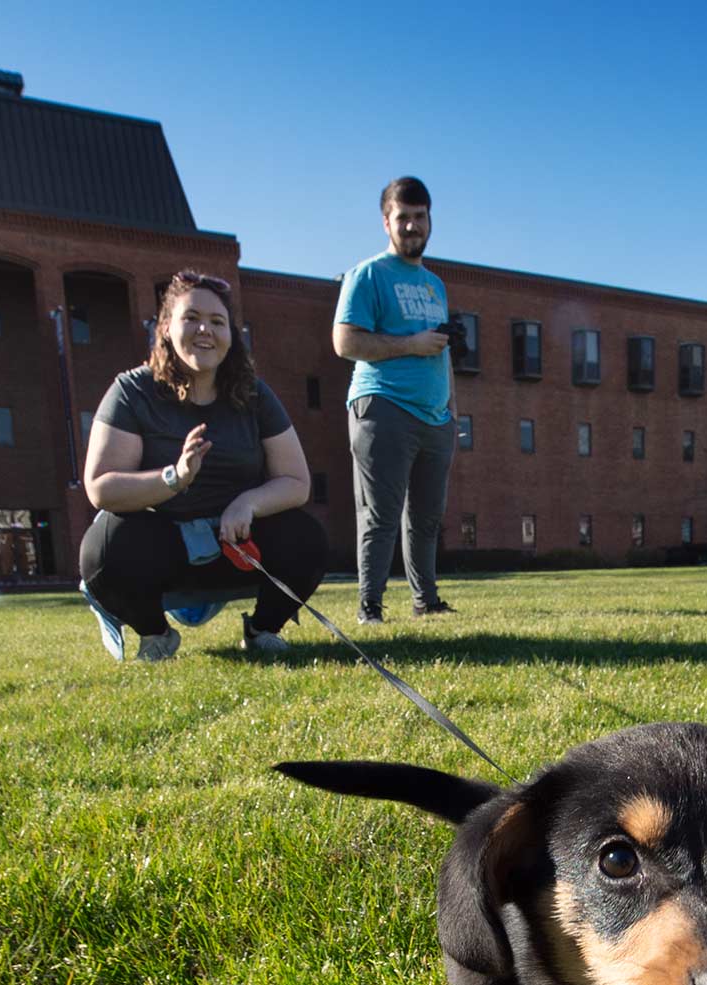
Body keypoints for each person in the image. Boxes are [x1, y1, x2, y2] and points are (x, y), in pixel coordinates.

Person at [78, 270, 326, 661]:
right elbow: (100, 488)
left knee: (306, 538)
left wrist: (248, 504)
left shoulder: (255, 395)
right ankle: (156, 634)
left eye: (217, 321)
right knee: (103, 550)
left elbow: (296, 481)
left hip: (239, 546)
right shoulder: (131, 391)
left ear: (232, 334)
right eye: (191, 318)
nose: (204, 330)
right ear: (166, 328)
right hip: (163, 550)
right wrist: (174, 478)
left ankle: (262, 630)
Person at [333, 176, 455, 625]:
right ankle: (371, 608)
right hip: (382, 408)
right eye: (402, 218)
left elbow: (438, 350)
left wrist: (450, 410)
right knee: (381, 515)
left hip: (435, 417)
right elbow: (344, 342)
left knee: (426, 518)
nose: (411, 227)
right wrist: (411, 343)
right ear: (386, 222)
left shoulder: (435, 285)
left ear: (429, 221)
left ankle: (427, 600)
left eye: (419, 218)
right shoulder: (367, 275)